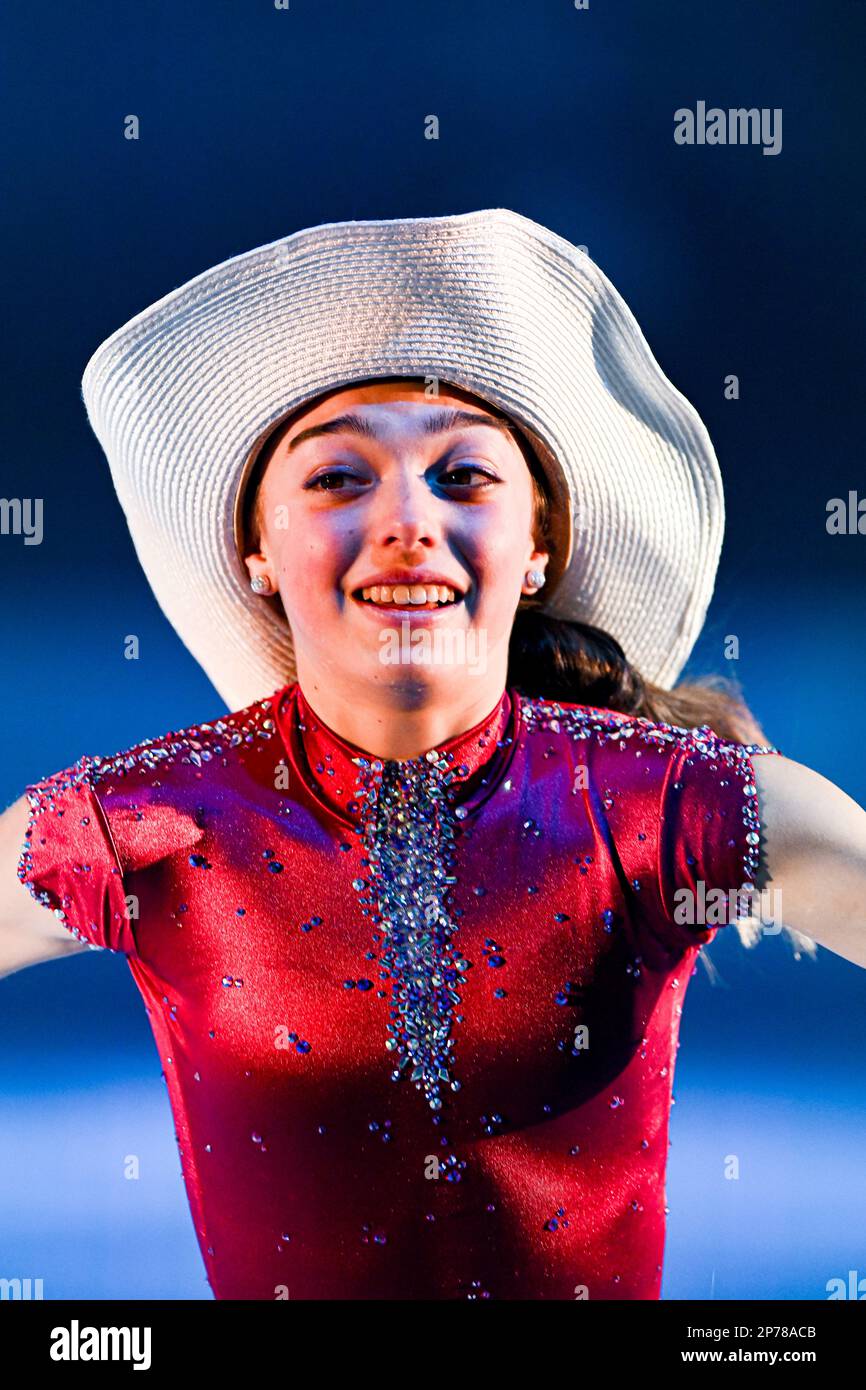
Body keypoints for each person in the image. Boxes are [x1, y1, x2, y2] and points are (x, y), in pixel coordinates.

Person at [1, 210, 864, 1301]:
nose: (408, 518)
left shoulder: (666, 805)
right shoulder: (148, 824)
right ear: (256, 549)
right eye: (336, 479)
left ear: (538, 541)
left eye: (461, 477)